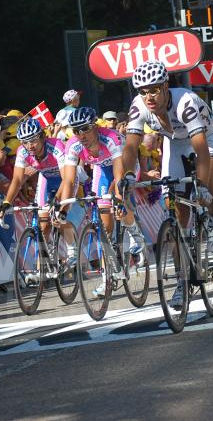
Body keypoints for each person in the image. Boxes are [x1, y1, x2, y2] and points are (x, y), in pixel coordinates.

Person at [120, 60, 213, 253]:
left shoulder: (185, 102)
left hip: (206, 138)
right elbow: (130, 146)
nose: (148, 97)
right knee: (177, 207)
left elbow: (201, 148)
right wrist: (126, 174)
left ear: (165, 86)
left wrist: (200, 183)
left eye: (154, 90)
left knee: (208, 179)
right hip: (174, 143)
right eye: (142, 91)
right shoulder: (139, 106)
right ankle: (182, 271)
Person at [58, 107, 146, 298]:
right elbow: (69, 180)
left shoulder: (111, 138)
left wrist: (119, 199)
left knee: (119, 197)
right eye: (76, 130)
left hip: (124, 166)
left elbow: (119, 174)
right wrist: (63, 208)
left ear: (96, 127)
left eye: (85, 129)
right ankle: (108, 278)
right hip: (101, 169)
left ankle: (135, 233)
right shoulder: (73, 145)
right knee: (105, 229)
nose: (81, 135)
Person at [0, 118, 76, 263]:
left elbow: (66, 179)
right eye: (25, 142)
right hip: (47, 179)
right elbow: (17, 179)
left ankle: (72, 248)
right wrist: (7, 201)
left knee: (58, 217)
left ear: (43, 137)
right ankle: (45, 265)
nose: (29, 145)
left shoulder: (56, 146)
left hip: (66, 179)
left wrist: (56, 198)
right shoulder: (22, 152)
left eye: (33, 140)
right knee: (43, 224)